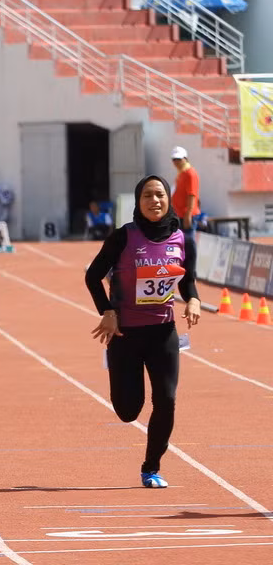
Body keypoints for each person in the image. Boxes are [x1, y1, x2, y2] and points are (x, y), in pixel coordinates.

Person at [85, 175, 200, 489]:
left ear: (168, 199)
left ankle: (151, 467)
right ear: (138, 201)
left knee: (166, 400)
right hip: (125, 335)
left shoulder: (182, 239)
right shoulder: (123, 237)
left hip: (163, 332)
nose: (155, 201)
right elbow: (93, 277)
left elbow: (188, 279)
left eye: (160, 195)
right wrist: (107, 312)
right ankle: (125, 395)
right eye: (148, 195)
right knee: (127, 410)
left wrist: (193, 300)